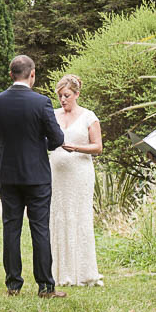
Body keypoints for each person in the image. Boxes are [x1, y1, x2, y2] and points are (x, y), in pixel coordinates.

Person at [0, 55, 65, 298]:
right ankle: (45, 286)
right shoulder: (41, 102)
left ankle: (13, 284)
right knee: (40, 228)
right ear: (32, 75)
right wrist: (39, 143)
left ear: (11, 75)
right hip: (37, 175)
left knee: (11, 228)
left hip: (8, 173)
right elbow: (57, 139)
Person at [49, 74, 103, 287]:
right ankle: (59, 271)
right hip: (57, 174)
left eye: (67, 95)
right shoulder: (53, 115)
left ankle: (83, 271)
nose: (63, 100)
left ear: (77, 94)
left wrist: (76, 147)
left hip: (79, 174)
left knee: (78, 217)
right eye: (60, 96)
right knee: (59, 217)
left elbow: (98, 147)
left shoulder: (89, 116)